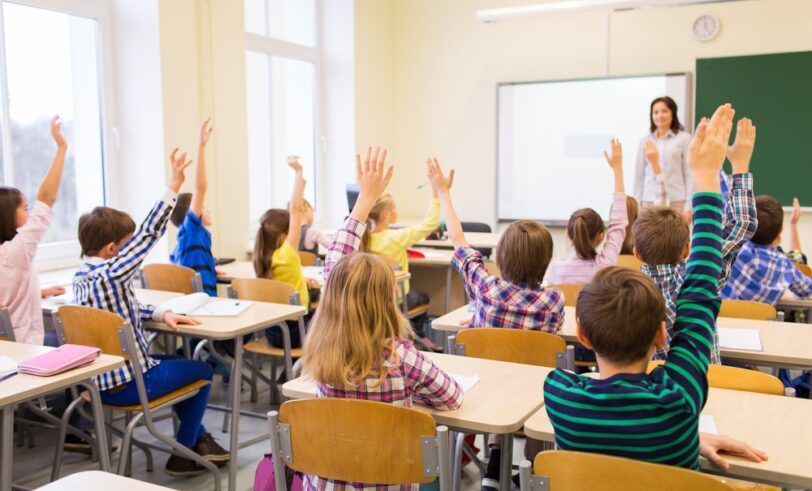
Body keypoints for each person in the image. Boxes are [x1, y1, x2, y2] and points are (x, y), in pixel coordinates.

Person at [301, 146, 462, 490]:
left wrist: (364, 199)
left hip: (329, 482)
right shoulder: (401, 358)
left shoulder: (321, 356)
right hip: (389, 482)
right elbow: (451, 398)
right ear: (388, 302)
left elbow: (336, 268)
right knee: (430, 459)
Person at [73, 148, 228, 476]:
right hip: (129, 382)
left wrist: (160, 314)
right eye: (126, 246)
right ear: (113, 250)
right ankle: (185, 451)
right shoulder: (111, 273)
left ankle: (196, 439)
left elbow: (119, 309)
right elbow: (148, 234)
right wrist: (174, 183)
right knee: (201, 371)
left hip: (96, 384)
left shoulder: (83, 278)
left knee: (178, 365)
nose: (134, 250)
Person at [634, 117, 758, 363]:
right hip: (703, 393)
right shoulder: (699, 277)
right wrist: (740, 164)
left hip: (649, 396)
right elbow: (742, 223)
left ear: (636, 252)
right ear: (688, 249)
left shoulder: (625, 294)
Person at [0, 116, 67, 345]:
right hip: (26, 346)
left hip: (7, 349)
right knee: (75, 336)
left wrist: (39, 292)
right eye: (24, 208)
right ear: (7, 214)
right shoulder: (15, 251)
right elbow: (46, 199)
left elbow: (6, 297)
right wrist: (61, 148)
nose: (29, 214)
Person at [545, 139, 628, 285]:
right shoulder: (604, 267)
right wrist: (617, 170)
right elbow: (618, 224)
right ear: (601, 237)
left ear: (568, 234)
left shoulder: (556, 269)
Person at [170, 117, 219, 296]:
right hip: (205, 306)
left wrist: (210, 268)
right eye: (203, 207)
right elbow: (201, 187)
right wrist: (201, 145)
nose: (207, 210)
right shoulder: (192, 232)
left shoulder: (182, 244)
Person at [634, 96, 693, 212]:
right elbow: (639, 176)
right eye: (656, 112)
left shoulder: (685, 139)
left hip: (676, 201)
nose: (660, 115)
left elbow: (689, 174)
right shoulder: (645, 141)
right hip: (649, 201)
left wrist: (689, 205)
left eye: (664, 111)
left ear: (673, 113)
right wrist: (637, 204)